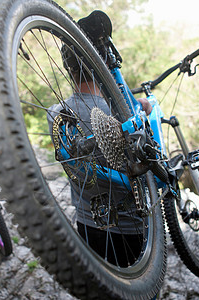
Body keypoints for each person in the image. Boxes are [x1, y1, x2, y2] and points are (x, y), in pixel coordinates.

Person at [47, 11, 153, 267]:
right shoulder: (127, 112)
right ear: (104, 63)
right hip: (133, 227)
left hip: (87, 221)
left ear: (67, 67)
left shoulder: (55, 113)